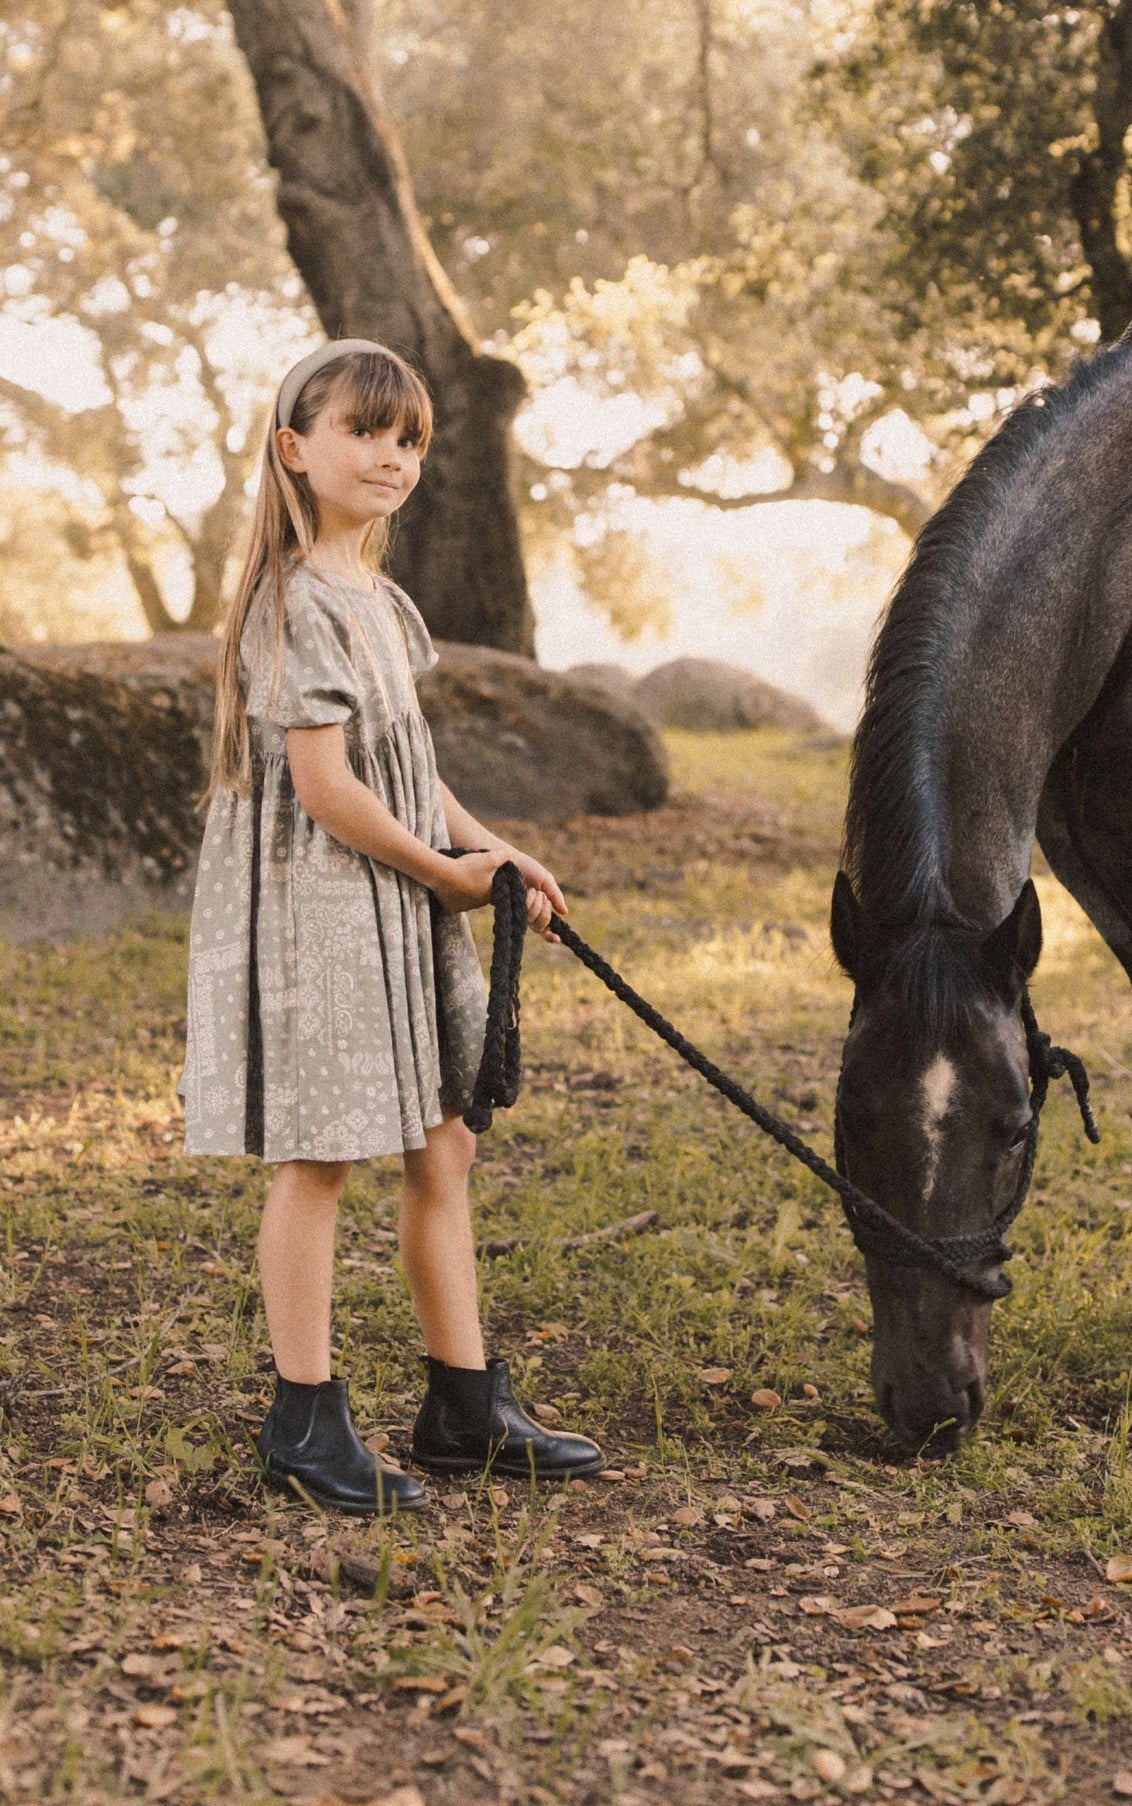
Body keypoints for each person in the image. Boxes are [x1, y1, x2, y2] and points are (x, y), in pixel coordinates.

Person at [181, 338, 604, 1513]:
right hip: (328, 903)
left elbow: (405, 769)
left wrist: (492, 849)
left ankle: (463, 1406)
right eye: (364, 431)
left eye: (408, 438)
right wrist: (445, 873)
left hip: (401, 892)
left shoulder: (382, 600)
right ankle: (303, 1421)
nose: (390, 456)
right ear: (293, 449)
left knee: (442, 1143)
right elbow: (327, 794)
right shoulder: (292, 603)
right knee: (318, 1152)